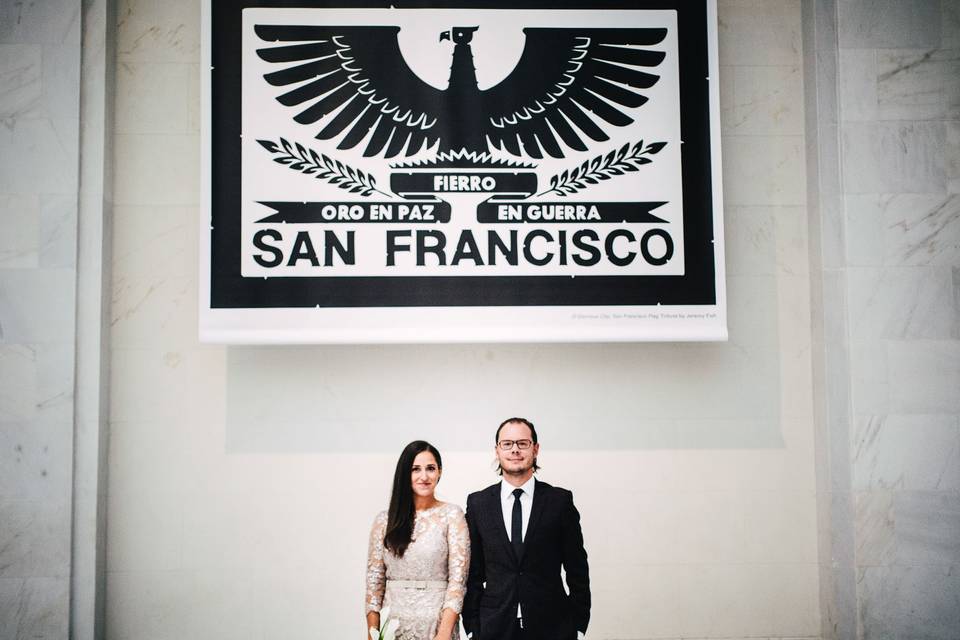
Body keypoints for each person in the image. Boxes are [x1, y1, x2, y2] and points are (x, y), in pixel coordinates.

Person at [462, 418, 590, 640]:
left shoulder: (559, 502)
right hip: (494, 628)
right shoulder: (478, 504)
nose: (515, 450)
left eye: (522, 443)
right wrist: (473, 625)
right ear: (497, 450)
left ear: (535, 449)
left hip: (553, 627)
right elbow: (472, 573)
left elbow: (577, 569)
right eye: (507, 444)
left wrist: (578, 624)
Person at [366, 441, 470, 640]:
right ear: (405, 473)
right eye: (415, 469)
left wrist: (444, 633)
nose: (424, 476)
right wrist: (373, 633)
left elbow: (458, 581)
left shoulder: (452, 515)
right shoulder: (384, 520)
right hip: (393, 626)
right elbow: (374, 583)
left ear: (439, 471)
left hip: (436, 625)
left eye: (430, 468)